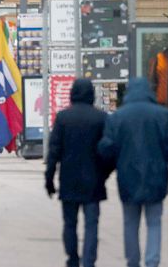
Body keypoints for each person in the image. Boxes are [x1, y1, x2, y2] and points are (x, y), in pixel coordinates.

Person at [98, 77, 168, 267]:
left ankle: (133, 261)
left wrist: (104, 173)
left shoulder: (118, 117)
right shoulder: (163, 115)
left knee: (130, 222)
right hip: (156, 177)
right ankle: (152, 262)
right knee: (154, 222)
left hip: (128, 177)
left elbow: (107, 149)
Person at [45, 79, 110, 267]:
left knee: (70, 223)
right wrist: (104, 174)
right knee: (91, 225)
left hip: (69, 180)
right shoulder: (101, 118)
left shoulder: (63, 118)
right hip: (94, 180)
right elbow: (108, 151)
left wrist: (49, 179)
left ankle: (72, 259)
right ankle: (89, 261)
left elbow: (54, 151)